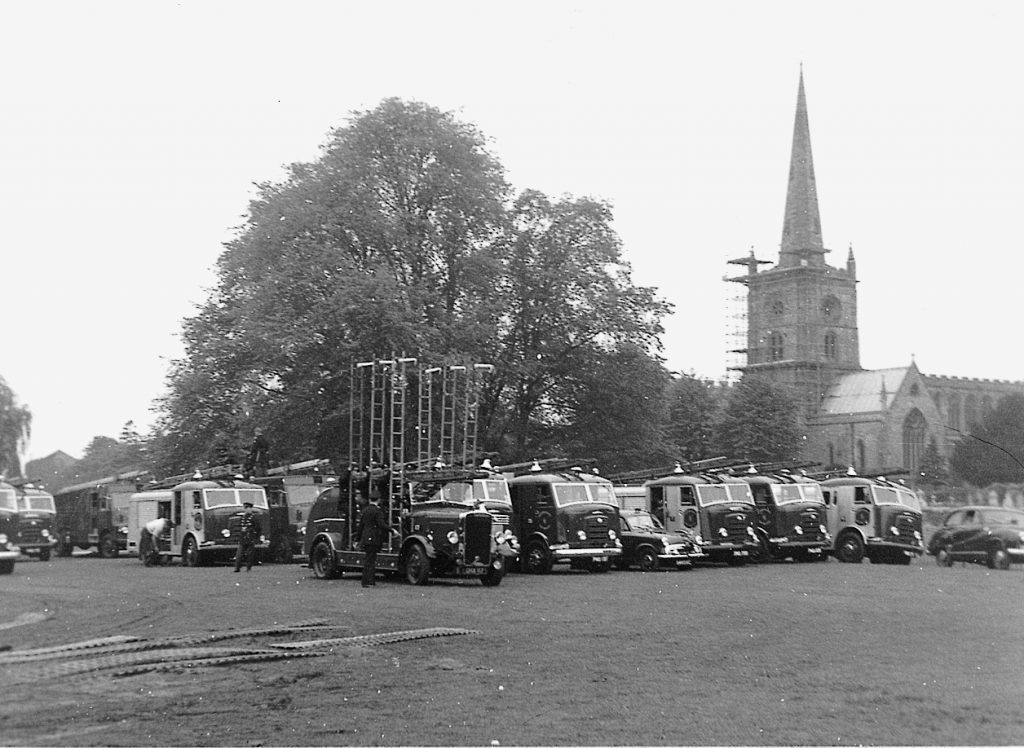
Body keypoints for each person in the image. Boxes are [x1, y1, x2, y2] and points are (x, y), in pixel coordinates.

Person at [355, 493, 398, 587]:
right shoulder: (378, 511)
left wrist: (357, 539)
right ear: (378, 500)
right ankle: (369, 582)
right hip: (374, 538)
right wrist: (392, 530)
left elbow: (361, 526)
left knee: (368, 560)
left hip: (366, 538)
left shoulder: (365, 510)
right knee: (371, 560)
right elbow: (382, 524)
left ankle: (367, 581)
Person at [233, 501, 262, 572]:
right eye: (246, 508)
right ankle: (237, 567)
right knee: (239, 554)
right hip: (243, 538)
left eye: (248, 508)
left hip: (250, 538)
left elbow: (258, 528)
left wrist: (253, 533)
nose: (247, 510)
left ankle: (248, 567)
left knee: (250, 554)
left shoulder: (254, 518)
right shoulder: (243, 517)